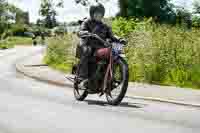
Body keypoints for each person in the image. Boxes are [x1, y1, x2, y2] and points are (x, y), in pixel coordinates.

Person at [78, 3, 120, 89]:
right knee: (87, 50)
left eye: (100, 14)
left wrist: (119, 39)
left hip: (100, 48)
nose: (98, 15)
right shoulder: (87, 22)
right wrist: (84, 32)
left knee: (114, 55)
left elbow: (112, 36)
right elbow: (80, 31)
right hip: (89, 45)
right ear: (92, 13)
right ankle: (83, 77)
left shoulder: (105, 26)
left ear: (102, 14)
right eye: (96, 13)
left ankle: (110, 79)